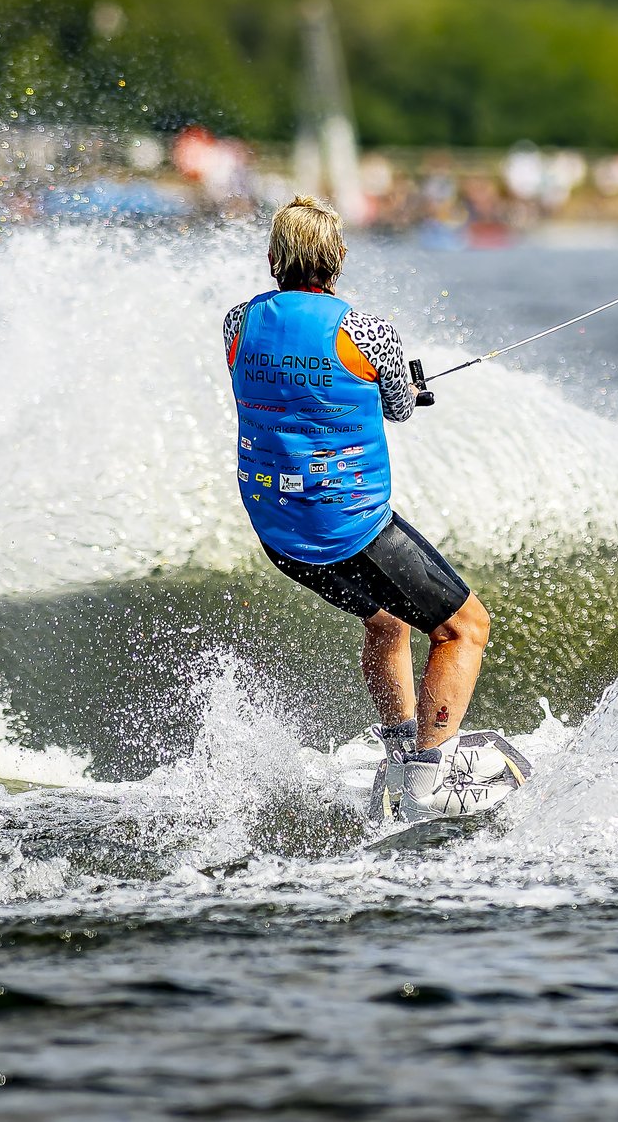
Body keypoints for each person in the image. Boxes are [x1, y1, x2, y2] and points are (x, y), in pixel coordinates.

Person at [223, 196, 523, 821]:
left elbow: (281, 386)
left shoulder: (237, 323)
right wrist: (405, 386)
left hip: (277, 527)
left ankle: (401, 752)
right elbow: (398, 409)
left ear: (274, 258)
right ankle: (428, 781)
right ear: (336, 258)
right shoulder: (365, 331)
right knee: (465, 628)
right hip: (347, 524)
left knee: (387, 622)